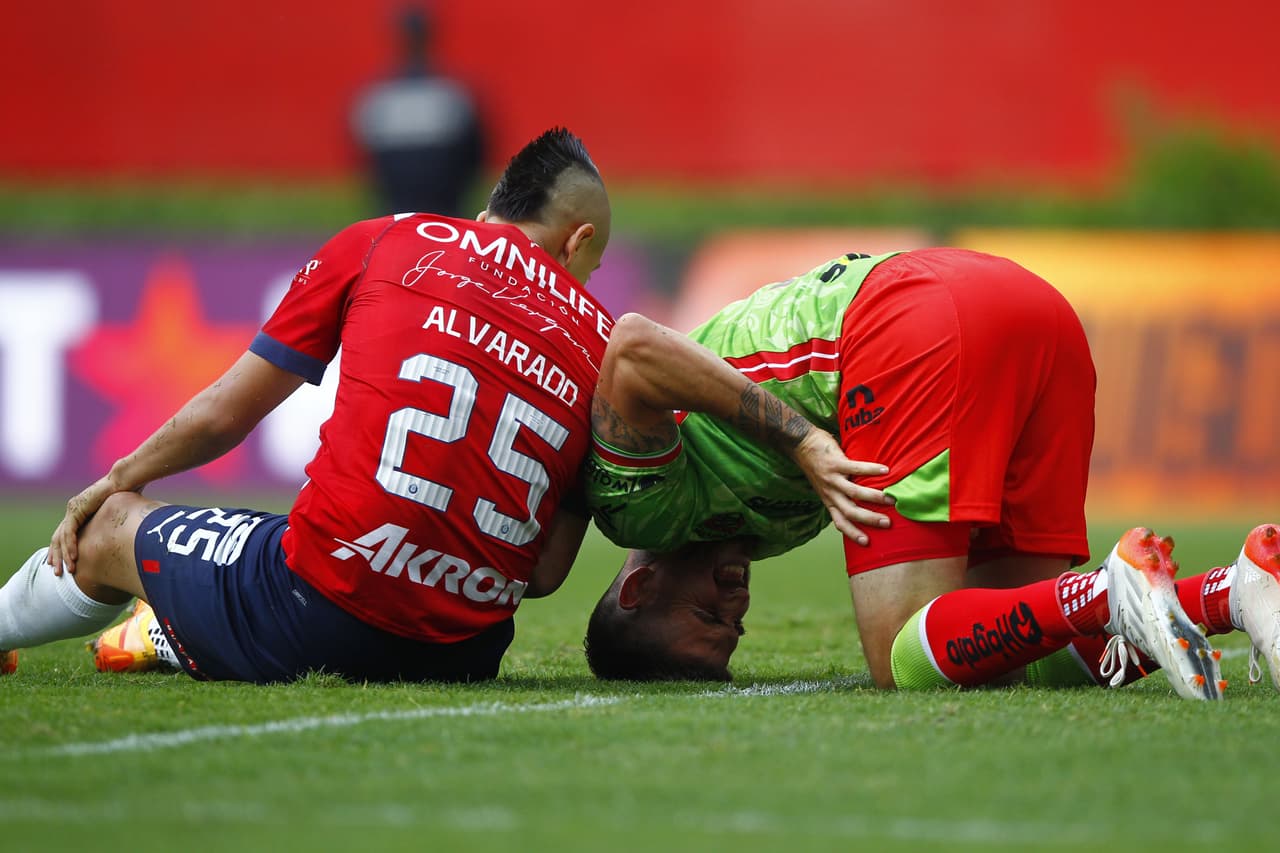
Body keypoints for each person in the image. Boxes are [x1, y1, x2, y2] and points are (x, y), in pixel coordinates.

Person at [0, 128, 612, 683]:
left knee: (113, 524)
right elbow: (544, 575)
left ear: (488, 216)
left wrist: (112, 481)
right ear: (578, 239)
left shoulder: (389, 238)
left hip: (313, 613)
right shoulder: (605, 345)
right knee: (272, 538)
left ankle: (156, 626)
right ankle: (175, 629)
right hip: (466, 656)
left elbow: (222, 415)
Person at [583, 248, 1280, 699]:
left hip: (906, 325)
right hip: (1031, 309)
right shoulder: (738, 531)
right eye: (732, 628)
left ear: (641, 584)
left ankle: (1110, 590)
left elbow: (635, 344)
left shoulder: (640, 510)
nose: (734, 611)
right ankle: (1238, 592)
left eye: (707, 613)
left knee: (900, 655)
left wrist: (804, 443)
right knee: (1016, 653)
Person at [350, 6, 485, 217]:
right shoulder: (454, 94)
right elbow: (476, 153)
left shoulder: (380, 97)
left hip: (395, 209)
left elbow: (367, 159)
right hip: (447, 209)